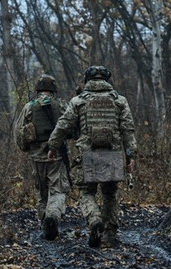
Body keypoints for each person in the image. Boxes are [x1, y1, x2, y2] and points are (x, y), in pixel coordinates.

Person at [47, 66, 137, 248]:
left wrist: (52, 146)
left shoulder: (78, 101)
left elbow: (63, 125)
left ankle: (94, 220)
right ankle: (109, 234)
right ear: (107, 80)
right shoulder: (119, 101)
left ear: (87, 80)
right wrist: (130, 155)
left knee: (86, 193)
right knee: (110, 194)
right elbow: (128, 129)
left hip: (87, 155)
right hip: (112, 154)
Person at [15, 74, 70, 240]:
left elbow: (19, 132)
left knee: (41, 193)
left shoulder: (29, 106)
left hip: (36, 156)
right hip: (57, 154)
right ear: (54, 88)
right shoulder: (61, 105)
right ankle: (52, 216)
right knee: (58, 189)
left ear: (37, 88)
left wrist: (25, 148)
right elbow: (70, 125)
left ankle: (45, 224)